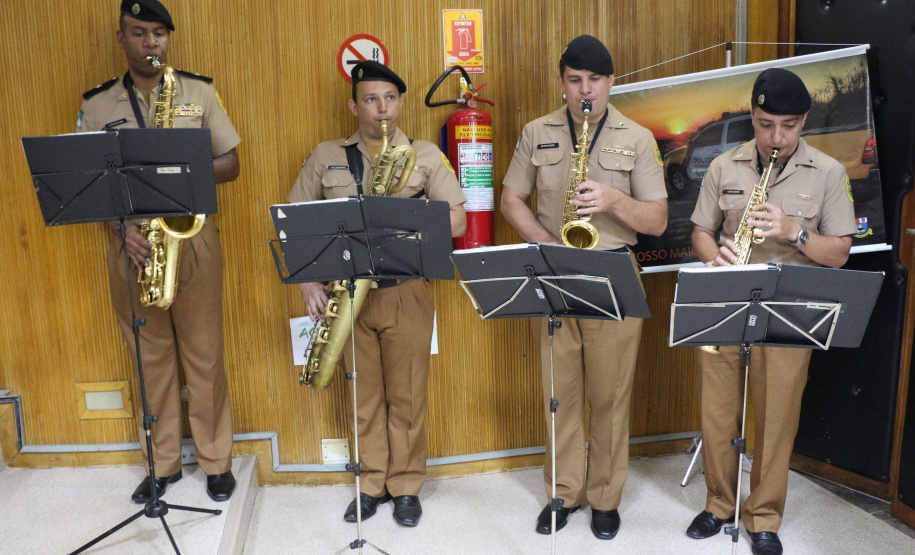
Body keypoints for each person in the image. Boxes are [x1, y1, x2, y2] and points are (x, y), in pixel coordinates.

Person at [501, 35, 668, 540]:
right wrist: (548, 243)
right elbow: (511, 200)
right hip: (554, 269)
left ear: (611, 82)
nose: (584, 91)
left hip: (613, 271)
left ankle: (605, 499)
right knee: (560, 393)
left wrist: (615, 198)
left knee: (610, 395)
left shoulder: (637, 138)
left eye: (594, 80)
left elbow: (657, 221)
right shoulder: (537, 132)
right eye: (575, 80)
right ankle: (563, 493)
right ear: (562, 82)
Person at [287, 60, 466, 527]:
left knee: (407, 397)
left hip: (405, 290)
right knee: (362, 395)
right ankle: (370, 484)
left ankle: (406, 487)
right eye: (371, 99)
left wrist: (402, 230)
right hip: (345, 295)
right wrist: (308, 282)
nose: (381, 108)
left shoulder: (426, 155)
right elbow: (294, 221)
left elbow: (458, 220)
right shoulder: (325, 154)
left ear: (401, 103)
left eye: (390, 98)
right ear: (354, 105)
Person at [687, 67, 856, 555]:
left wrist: (793, 232)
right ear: (752, 119)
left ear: (803, 121)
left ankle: (764, 516)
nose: (774, 137)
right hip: (727, 302)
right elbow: (700, 229)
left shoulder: (828, 172)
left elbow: (839, 252)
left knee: (777, 418)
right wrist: (709, 253)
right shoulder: (724, 166)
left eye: (787, 125)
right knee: (717, 413)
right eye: (764, 124)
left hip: (789, 311)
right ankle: (719, 504)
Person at [77, 0, 241, 503]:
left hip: (192, 240)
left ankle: (216, 462)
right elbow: (86, 181)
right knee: (150, 359)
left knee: (204, 354)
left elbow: (231, 163)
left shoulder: (197, 91)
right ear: (121, 38)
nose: (151, 43)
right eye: (139, 32)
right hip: (131, 244)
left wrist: (177, 172)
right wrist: (121, 225)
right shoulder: (98, 104)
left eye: (158, 34)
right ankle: (162, 464)